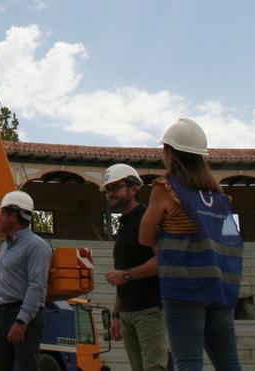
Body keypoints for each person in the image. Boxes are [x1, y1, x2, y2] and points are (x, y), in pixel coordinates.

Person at [140, 118, 243, 371]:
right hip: (221, 289)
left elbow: (143, 236)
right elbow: (232, 242)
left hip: (184, 288)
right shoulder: (222, 199)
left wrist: (160, 242)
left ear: (171, 154)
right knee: (229, 363)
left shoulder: (165, 189)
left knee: (188, 362)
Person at [103, 163, 167, 371]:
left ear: (134, 189)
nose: (109, 194)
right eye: (107, 190)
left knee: (154, 367)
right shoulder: (124, 224)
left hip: (148, 309)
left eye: (114, 188)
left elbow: (162, 261)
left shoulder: (147, 219)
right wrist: (116, 314)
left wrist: (128, 275)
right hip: (128, 312)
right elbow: (123, 272)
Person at [0, 190, 52, 371]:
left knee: (27, 367)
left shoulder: (36, 246)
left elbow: (36, 286)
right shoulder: (5, 246)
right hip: (0, 315)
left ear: (13, 215)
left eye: (2, 214)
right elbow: (0, 283)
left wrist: (22, 321)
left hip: (24, 315)